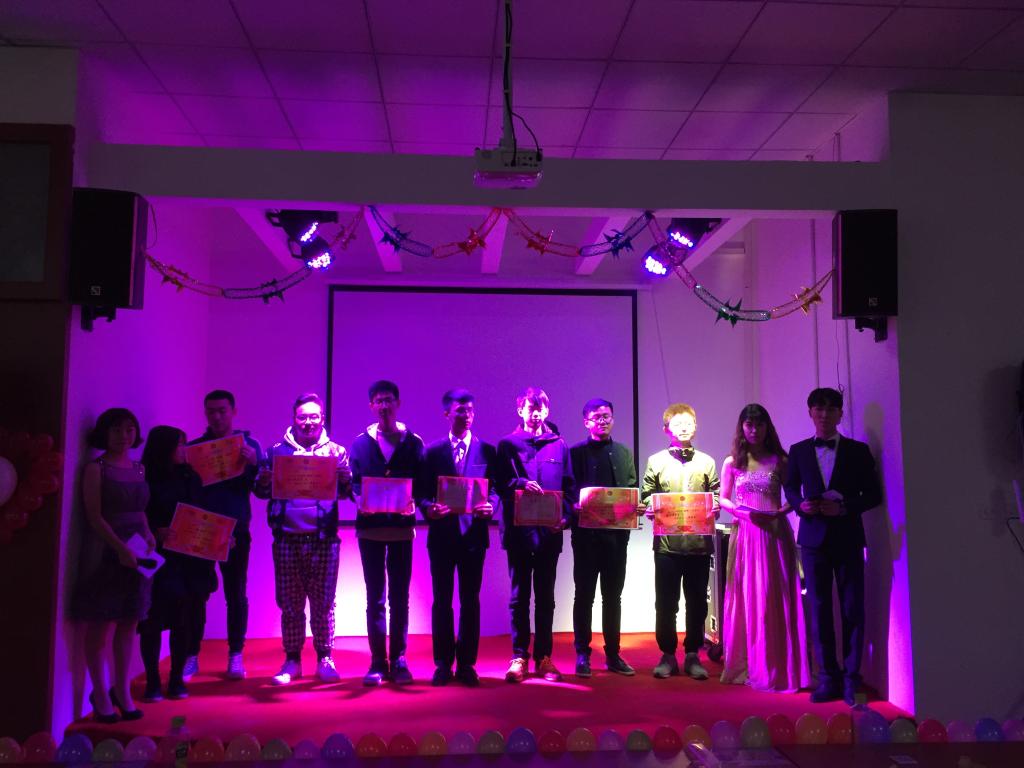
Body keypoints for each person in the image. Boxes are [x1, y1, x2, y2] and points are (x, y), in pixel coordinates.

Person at [783, 387, 881, 706]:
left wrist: (844, 508)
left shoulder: (858, 451)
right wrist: (800, 506)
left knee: (853, 608)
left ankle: (852, 678)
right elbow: (790, 488)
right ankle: (827, 677)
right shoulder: (798, 451)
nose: (824, 415)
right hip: (812, 541)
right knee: (819, 609)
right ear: (810, 413)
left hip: (848, 538)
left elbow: (874, 495)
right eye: (818, 409)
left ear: (840, 413)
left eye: (830, 409)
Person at [254, 393, 351, 685]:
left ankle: (325, 658)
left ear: (322, 419)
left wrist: (345, 480)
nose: (308, 422)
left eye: (313, 417)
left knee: (324, 603)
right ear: (294, 419)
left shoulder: (336, 452)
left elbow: (347, 493)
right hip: (287, 538)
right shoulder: (276, 452)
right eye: (302, 417)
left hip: (324, 539)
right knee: (290, 603)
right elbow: (260, 492)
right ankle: (292, 660)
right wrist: (263, 481)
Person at [69, 408, 155, 722]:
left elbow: (141, 510)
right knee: (101, 622)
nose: (124, 436)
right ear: (104, 433)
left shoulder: (139, 468)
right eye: (117, 430)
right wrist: (120, 548)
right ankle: (100, 694)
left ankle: (122, 690)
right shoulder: (96, 468)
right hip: (106, 550)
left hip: (138, 549)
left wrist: (147, 534)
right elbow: (94, 516)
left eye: (129, 429)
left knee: (129, 621)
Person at [719, 404, 810, 693]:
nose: (754, 430)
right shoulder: (732, 461)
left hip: (774, 534)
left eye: (759, 425)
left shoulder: (780, 460)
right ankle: (747, 662)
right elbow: (723, 498)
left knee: (774, 594)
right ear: (742, 427)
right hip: (746, 534)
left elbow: (794, 497)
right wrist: (741, 512)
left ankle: (777, 663)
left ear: (767, 427)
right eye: (749, 425)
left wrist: (780, 513)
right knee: (748, 594)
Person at [415, 388, 499, 687]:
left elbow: (496, 489)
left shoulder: (487, 450)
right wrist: (428, 508)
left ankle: (466, 664)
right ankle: (442, 663)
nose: (466, 415)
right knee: (441, 601)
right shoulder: (432, 451)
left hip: (474, 536)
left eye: (470, 410)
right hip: (442, 536)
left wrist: (493, 505)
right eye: (460, 410)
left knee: (470, 601)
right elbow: (421, 492)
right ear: (447, 414)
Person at [350, 380, 426, 686]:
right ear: (371, 406)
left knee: (400, 597)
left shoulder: (414, 442)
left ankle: (400, 659)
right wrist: (358, 499)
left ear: (398, 403)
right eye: (379, 401)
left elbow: (422, 483)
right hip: (370, 530)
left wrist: (415, 502)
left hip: (401, 530)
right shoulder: (360, 443)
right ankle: (377, 662)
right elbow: (354, 483)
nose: (384, 405)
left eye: (389, 400)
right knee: (375, 597)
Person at [496, 387, 574, 683]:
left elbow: (569, 486)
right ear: (520, 411)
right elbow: (498, 484)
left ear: (547, 410)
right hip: (518, 533)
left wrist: (565, 517)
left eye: (541, 407)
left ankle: (544, 657)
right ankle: (519, 657)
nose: (536, 412)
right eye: (531, 408)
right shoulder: (507, 445)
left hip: (549, 535)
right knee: (519, 598)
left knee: (545, 598)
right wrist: (519, 483)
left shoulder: (559, 445)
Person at [185, 389, 261, 680]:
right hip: (202, 530)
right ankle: (191, 655)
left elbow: (261, 489)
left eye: (222, 411)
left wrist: (254, 463)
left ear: (233, 411)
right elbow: (188, 493)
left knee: (236, 594)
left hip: (236, 531)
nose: (216, 417)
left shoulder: (249, 445)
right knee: (197, 594)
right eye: (211, 411)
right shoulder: (195, 449)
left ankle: (235, 655)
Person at [640, 403, 719, 680]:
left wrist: (715, 505)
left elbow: (716, 493)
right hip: (667, 545)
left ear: (695, 427)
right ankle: (668, 654)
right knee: (666, 602)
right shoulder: (656, 461)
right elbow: (646, 493)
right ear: (666, 429)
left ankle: (693, 654)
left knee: (697, 603)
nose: (683, 428)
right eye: (677, 423)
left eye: (688, 423)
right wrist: (650, 505)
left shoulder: (707, 462)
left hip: (699, 545)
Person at [139, 426, 217, 701]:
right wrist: (154, 530)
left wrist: (218, 537)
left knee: (183, 619)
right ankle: (152, 680)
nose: (184, 450)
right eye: (179, 445)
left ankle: (175, 680)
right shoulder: (145, 476)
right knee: (152, 621)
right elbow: (137, 513)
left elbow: (201, 514)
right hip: (156, 557)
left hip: (187, 559)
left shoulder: (190, 476)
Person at [568, 398, 643, 677]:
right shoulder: (575, 453)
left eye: (607, 416)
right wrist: (573, 505)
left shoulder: (624, 452)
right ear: (586, 421)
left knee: (613, 597)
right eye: (597, 417)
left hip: (616, 539)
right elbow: (568, 489)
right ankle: (582, 654)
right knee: (584, 596)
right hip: (586, 539)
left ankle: (613, 654)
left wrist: (636, 506)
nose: (603, 421)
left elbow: (632, 487)